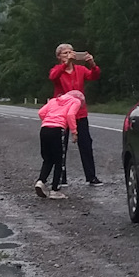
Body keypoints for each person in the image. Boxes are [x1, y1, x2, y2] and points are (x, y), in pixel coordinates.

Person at [48, 44, 103, 186]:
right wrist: (65, 64)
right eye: (65, 53)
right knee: (61, 145)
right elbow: (53, 77)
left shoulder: (80, 69)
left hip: (80, 113)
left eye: (70, 52)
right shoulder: (57, 70)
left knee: (86, 144)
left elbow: (94, 75)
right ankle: (61, 177)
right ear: (59, 57)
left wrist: (92, 63)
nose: (68, 55)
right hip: (62, 114)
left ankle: (91, 176)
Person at [35, 90, 82, 199]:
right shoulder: (76, 101)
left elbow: (41, 112)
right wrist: (74, 132)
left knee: (47, 159)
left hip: (44, 129)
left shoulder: (54, 100)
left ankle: (41, 181)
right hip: (58, 130)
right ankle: (55, 189)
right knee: (59, 160)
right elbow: (70, 115)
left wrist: (49, 120)